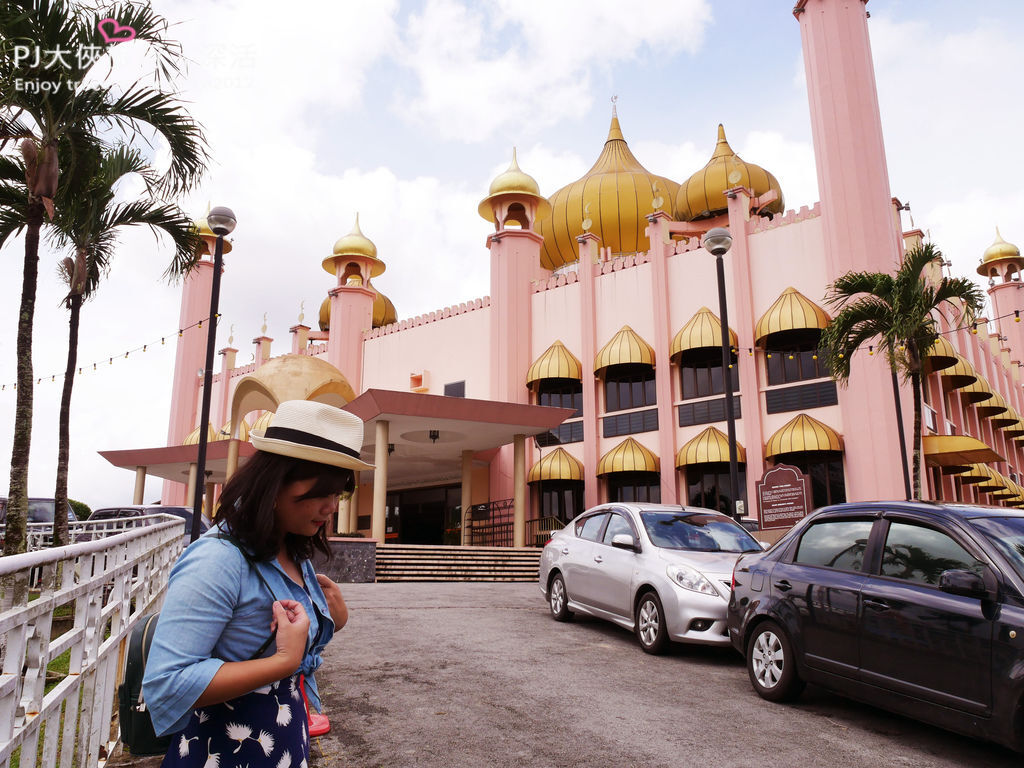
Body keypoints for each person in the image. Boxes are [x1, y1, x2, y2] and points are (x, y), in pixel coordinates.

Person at [143, 400, 373, 767]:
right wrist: (283, 661)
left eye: (339, 492)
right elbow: (167, 682)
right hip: (223, 752)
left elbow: (290, 646)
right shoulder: (218, 560)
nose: (332, 506)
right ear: (275, 481)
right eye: (321, 491)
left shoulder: (289, 547)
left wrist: (332, 621)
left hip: (282, 742)